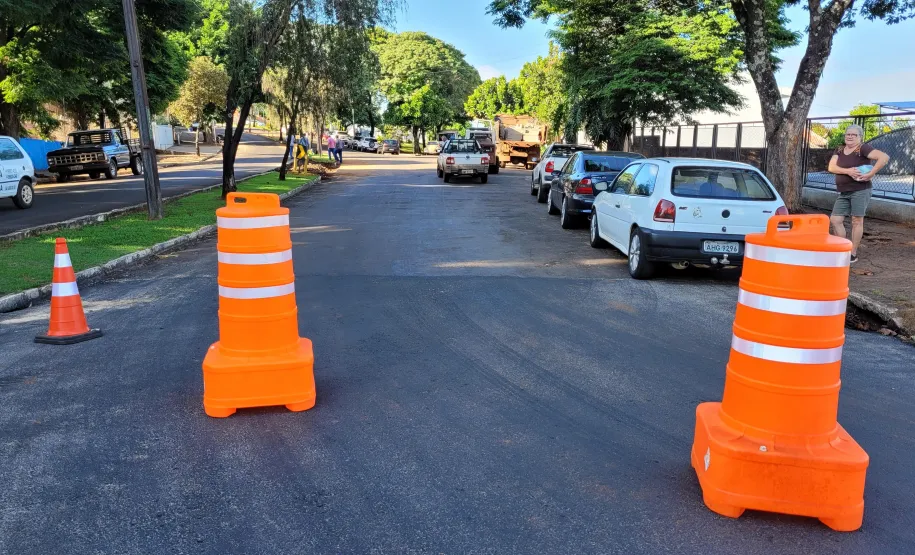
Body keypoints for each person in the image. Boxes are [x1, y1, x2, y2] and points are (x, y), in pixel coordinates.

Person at [827, 124, 889, 264]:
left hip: (860, 190)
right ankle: (842, 248)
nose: (849, 136)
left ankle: (852, 253)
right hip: (843, 191)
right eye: (847, 134)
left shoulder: (863, 148)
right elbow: (831, 167)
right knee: (835, 220)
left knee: (857, 221)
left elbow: (884, 157)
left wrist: (871, 173)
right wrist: (848, 171)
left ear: (860, 137)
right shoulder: (840, 149)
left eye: (853, 135)